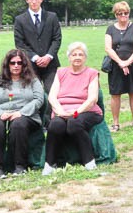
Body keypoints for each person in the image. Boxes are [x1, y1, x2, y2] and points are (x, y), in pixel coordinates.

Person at [43, 42, 104, 175]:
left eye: (80, 55)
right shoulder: (61, 72)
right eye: (74, 54)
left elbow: (93, 99)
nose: (77, 57)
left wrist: (76, 112)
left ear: (85, 57)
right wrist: (59, 111)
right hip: (62, 110)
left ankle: (89, 162)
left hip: (86, 110)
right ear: (69, 57)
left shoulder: (92, 73)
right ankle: (49, 164)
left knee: (74, 123)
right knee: (55, 125)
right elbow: (52, 96)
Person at [0, 50, 44, 178]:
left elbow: (39, 99)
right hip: (0, 113)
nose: (16, 65)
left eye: (19, 63)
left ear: (24, 64)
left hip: (26, 114)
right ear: (7, 64)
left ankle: (19, 166)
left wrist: (21, 112)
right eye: (12, 63)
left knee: (18, 125)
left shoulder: (33, 81)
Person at [104, 1, 133, 132]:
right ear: (115, 15)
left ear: (129, 13)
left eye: (126, 13)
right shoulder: (110, 29)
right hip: (115, 66)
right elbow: (108, 48)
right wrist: (120, 63)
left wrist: (128, 62)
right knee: (115, 94)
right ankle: (115, 123)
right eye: (120, 13)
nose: (123, 16)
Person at [13, 0, 62, 92]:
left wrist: (48, 56)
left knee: (52, 92)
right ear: (27, 0)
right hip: (31, 65)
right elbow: (20, 44)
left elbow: (57, 39)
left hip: (50, 64)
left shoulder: (52, 17)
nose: (34, 1)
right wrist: (35, 58)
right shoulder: (19, 20)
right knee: (35, 94)